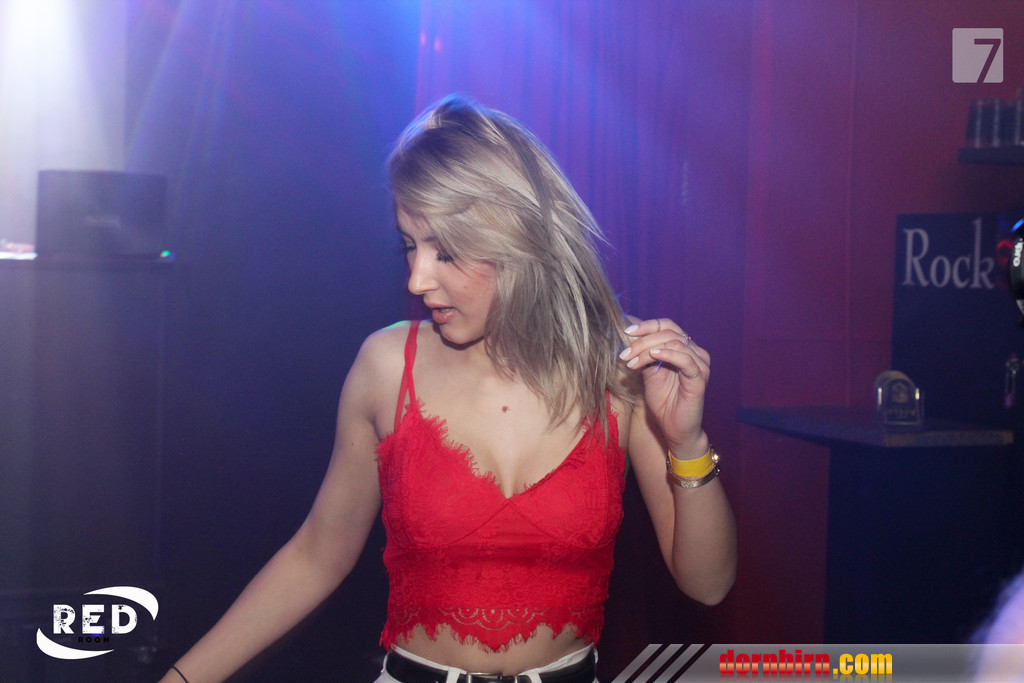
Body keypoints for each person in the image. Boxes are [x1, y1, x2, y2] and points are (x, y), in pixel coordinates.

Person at [160, 94, 736, 683]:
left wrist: (687, 443)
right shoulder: (388, 366)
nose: (416, 279)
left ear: (515, 237)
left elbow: (708, 585)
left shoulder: (619, 369)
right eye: (409, 245)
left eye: (446, 251)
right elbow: (315, 557)